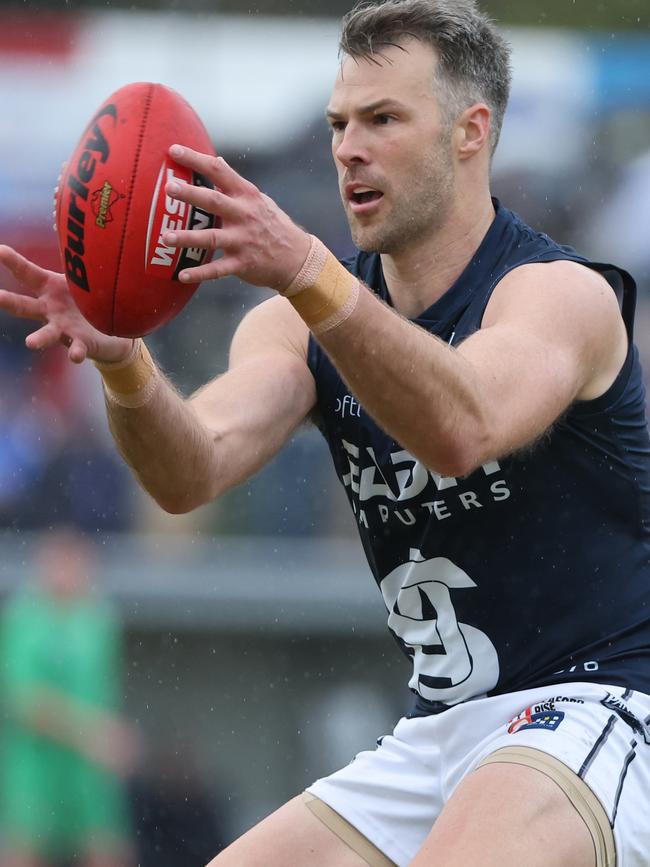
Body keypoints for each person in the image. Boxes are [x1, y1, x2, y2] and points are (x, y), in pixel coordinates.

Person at [0, 0, 649, 863]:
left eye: (384, 119)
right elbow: (191, 467)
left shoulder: (558, 295)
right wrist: (127, 363)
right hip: (438, 730)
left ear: (471, 132)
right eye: (339, 122)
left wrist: (307, 272)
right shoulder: (301, 321)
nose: (348, 147)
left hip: (599, 701)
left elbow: (464, 426)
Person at [0, 527, 138, 867]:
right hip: (36, 766)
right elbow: (24, 702)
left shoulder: (98, 619)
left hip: (88, 773)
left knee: (107, 850)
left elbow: (102, 691)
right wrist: (91, 733)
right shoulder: (24, 618)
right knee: (23, 851)